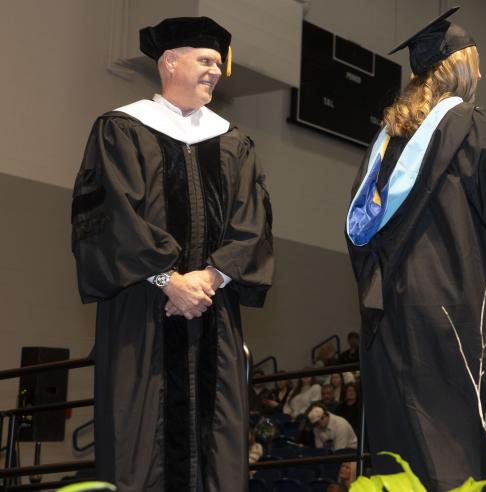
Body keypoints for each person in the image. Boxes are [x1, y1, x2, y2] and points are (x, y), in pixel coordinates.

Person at [344, 7, 486, 490]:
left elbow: (360, 225)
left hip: (393, 309)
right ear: (459, 69)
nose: (482, 74)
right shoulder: (471, 126)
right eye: (477, 64)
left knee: (410, 432)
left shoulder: (386, 139)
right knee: (471, 429)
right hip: (458, 303)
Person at [71, 16, 273, 491]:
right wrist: (168, 279)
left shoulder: (234, 142)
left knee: (217, 446)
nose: (216, 71)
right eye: (205, 60)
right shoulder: (120, 130)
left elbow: (253, 225)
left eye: (218, 63)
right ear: (169, 62)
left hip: (212, 310)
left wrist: (212, 277)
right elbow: (110, 217)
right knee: (139, 446)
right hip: (142, 311)